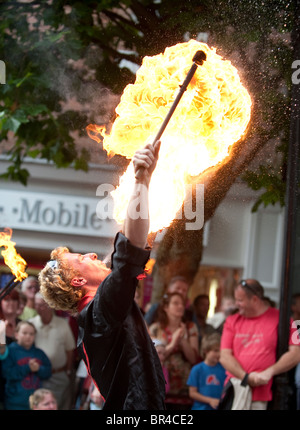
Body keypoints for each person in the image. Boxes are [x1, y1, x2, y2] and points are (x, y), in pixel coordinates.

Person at [38, 141, 166, 410]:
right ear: (78, 281)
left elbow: (123, 250)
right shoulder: (98, 315)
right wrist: (142, 179)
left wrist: (141, 183)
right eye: (82, 259)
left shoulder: (96, 315)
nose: (92, 256)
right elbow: (127, 253)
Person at [220, 279, 300, 410]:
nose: (236, 304)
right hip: (235, 389)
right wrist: (246, 377)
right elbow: (224, 356)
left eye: (240, 300)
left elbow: (296, 353)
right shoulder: (231, 320)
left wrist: (270, 372)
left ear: (255, 300)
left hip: (264, 393)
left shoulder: (284, 319)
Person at [149, 292, 198, 409]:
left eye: (182, 304)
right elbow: (154, 357)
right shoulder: (155, 328)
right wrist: (174, 341)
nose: (180, 306)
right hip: (161, 383)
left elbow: (193, 359)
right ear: (166, 307)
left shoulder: (190, 327)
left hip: (183, 386)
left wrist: (183, 341)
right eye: (175, 303)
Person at [29, 292, 76, 410]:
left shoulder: (62, 324)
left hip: (59, 375)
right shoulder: (31, 323)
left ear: (50, 305)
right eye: (37, 305)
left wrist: (68, 371)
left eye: (42, 305)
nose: (39, 308)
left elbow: (70, 350)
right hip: (37, 375)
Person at [1, 320, 52, 410]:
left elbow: (48, 372)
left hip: (36, 402)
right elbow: (6, 373)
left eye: (31, 334)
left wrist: (38, 369)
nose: (28, 336)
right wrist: (27, 368)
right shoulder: (10, 351)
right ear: (16, 334)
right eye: (24, 333)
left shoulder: (39, 353)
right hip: (14, 402)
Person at [187, 333, 226, 410]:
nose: (219, 354)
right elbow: (192, 393)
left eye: (220, 350)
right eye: (215, 351)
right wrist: (210, 400)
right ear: (206, 351)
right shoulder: (197, 369)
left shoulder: (224, 368)